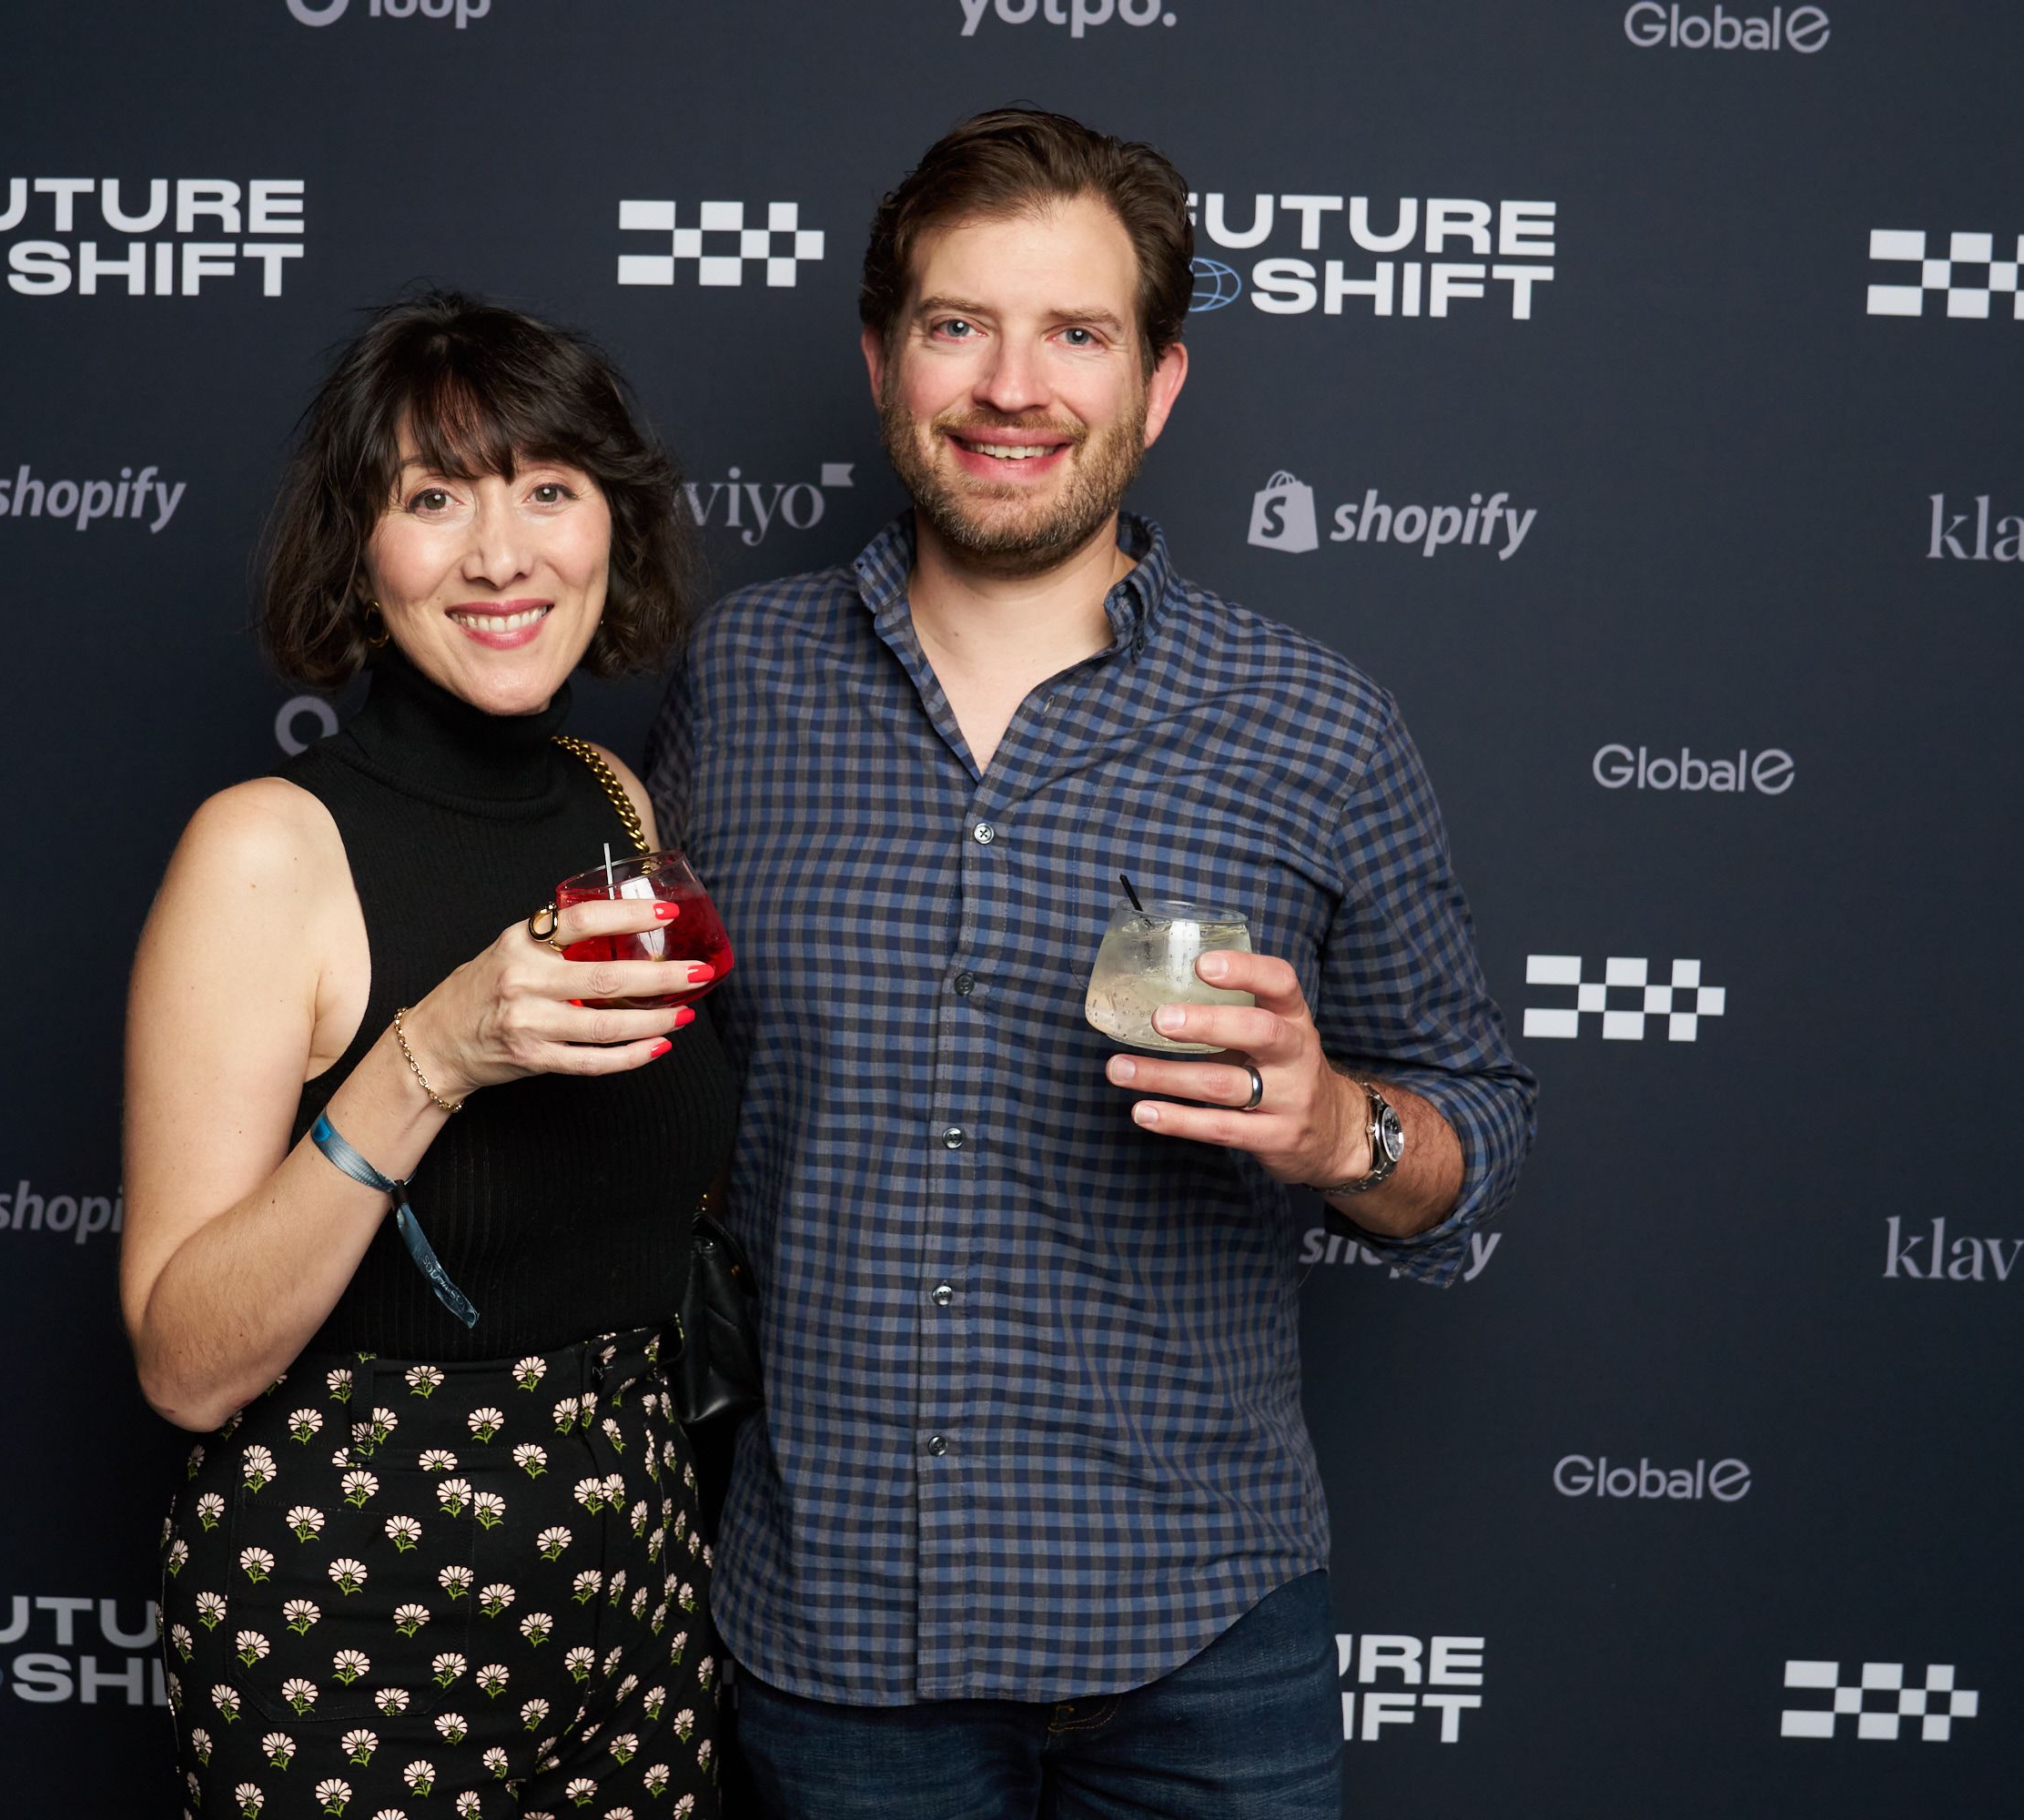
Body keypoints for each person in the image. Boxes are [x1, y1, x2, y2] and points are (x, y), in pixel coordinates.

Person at [648, 109, 1538, 1819]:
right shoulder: (735, 685)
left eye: (1076, 332)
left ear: (1160, 383)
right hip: (833, 1642)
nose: (1011, 386)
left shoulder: (1315, 724)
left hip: (1202, 1643)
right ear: (881, 357)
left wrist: (1338, 1124)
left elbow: (1475, 1131)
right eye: (957, 324)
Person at [122, 293, 736, 1820]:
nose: (501, 554)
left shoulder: (614, 806)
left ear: (614, 524)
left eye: (549, 488)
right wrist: (434, 1055)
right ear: (358, 549)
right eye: (433, 498)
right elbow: (186, 1367)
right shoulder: (268, 851)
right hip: (351, 1592)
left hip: (640, 1578)